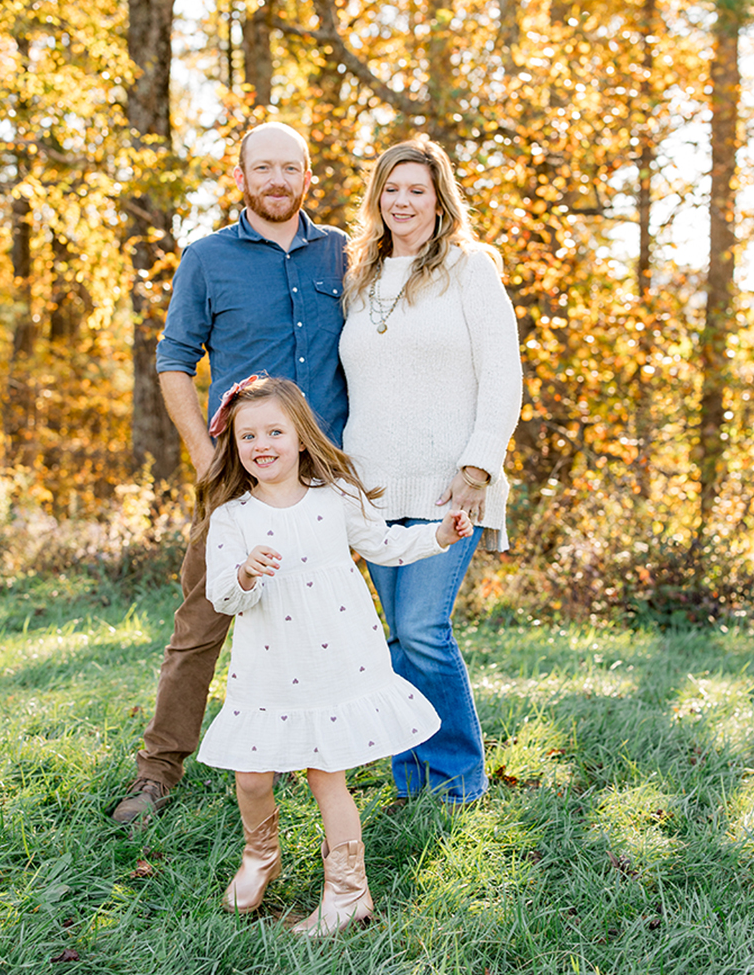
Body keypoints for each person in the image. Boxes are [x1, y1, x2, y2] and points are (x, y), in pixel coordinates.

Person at [112, 122, 348, 825]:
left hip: (328, 476)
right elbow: (173, 360)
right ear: (240, 176)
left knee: (339, 619)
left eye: (291, 169)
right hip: (238, 476)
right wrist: (206, 457)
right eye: (263, 168)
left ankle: (344, 754)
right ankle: (158, 770)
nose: (277, 181)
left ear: (309, 177)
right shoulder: (208, 257)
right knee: (203, 618)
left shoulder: (344, 253)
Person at [194, 375, 472, 934]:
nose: (261, 444)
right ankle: (260, 857)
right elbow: (221, 594)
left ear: (302, 436)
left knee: (327, 775)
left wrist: (438, 536)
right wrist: (246, 572)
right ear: (235, 445)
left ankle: (349, 890)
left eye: (275, 430)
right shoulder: (232, 518)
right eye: (248, 435)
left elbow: (387, 547)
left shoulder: (335, 499)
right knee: (250, 774)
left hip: (333, 657)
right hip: (268, 665)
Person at [339, 136, 522, 808]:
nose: (402, 201)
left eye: (417, 189)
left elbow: (503, 374)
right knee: (394, 638)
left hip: (450, 483)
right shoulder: (361, 275)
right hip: (371, 488)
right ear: (376, 197)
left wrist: (478, 467)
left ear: (439, 199)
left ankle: (459, 782)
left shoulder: (471, 269)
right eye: (391, 188)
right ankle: (412, 778)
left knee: (422, 630)